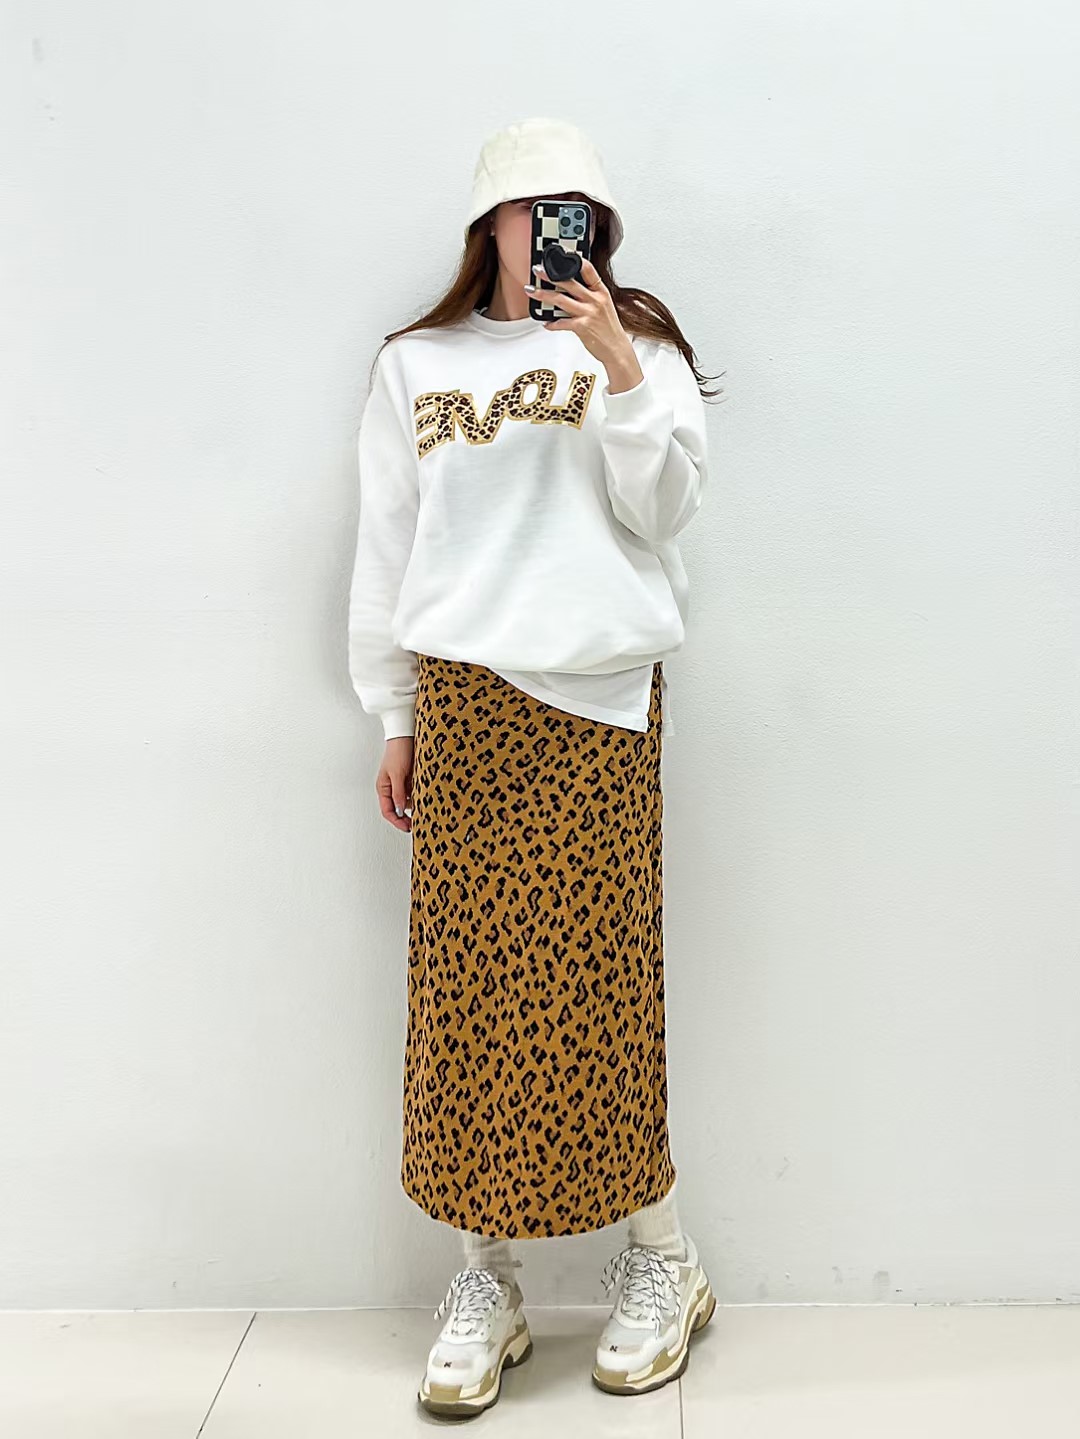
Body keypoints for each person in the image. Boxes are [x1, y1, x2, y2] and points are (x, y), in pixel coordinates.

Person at [347, 115, 725, 1418]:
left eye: (575, 211)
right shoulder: (416, 364)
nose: (550, 230)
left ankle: (663, 1258)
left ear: (596, 228)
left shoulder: (639, 351)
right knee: (467, 998)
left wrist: (615, 365)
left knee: (599, 984)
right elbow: (388, 541)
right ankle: (486, 1280)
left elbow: (665, 515)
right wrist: (392, 712)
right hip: (466, 701)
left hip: (602, 700)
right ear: (489, 225)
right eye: (528, 207)